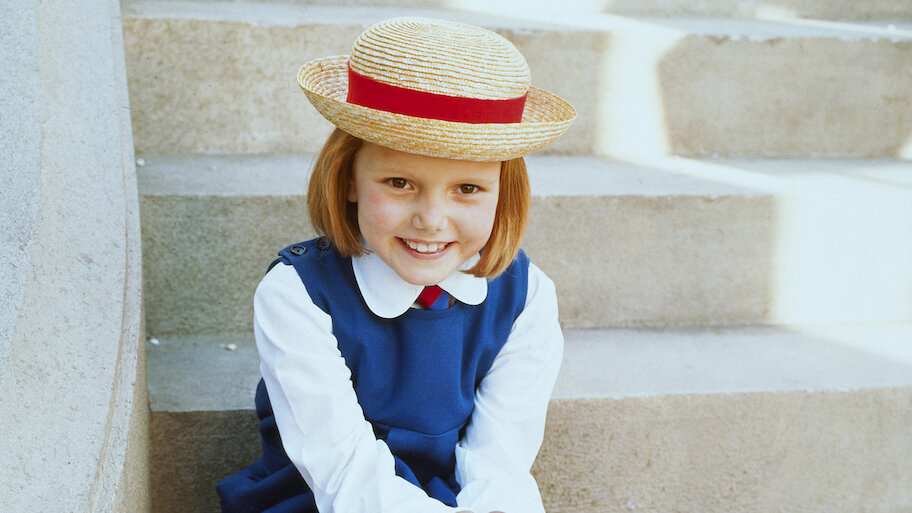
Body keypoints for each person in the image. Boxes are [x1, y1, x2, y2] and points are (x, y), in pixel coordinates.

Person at [217, 16, 576, 513]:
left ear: (502, 194)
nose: (431, 220)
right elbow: (342, 469)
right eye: (399, 183)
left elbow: (499, 463)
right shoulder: (298, 294)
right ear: (348, 181)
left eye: (467, 189)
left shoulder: (524, 296)